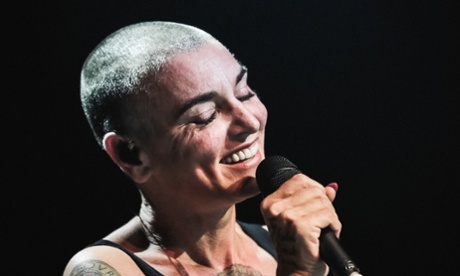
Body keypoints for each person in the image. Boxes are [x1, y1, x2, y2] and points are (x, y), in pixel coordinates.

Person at [63, 21, 341, 276]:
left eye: (245, 93)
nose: (249, 121)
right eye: (205, 115)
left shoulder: (288, 243)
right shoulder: (102, 268)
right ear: (130, 154)